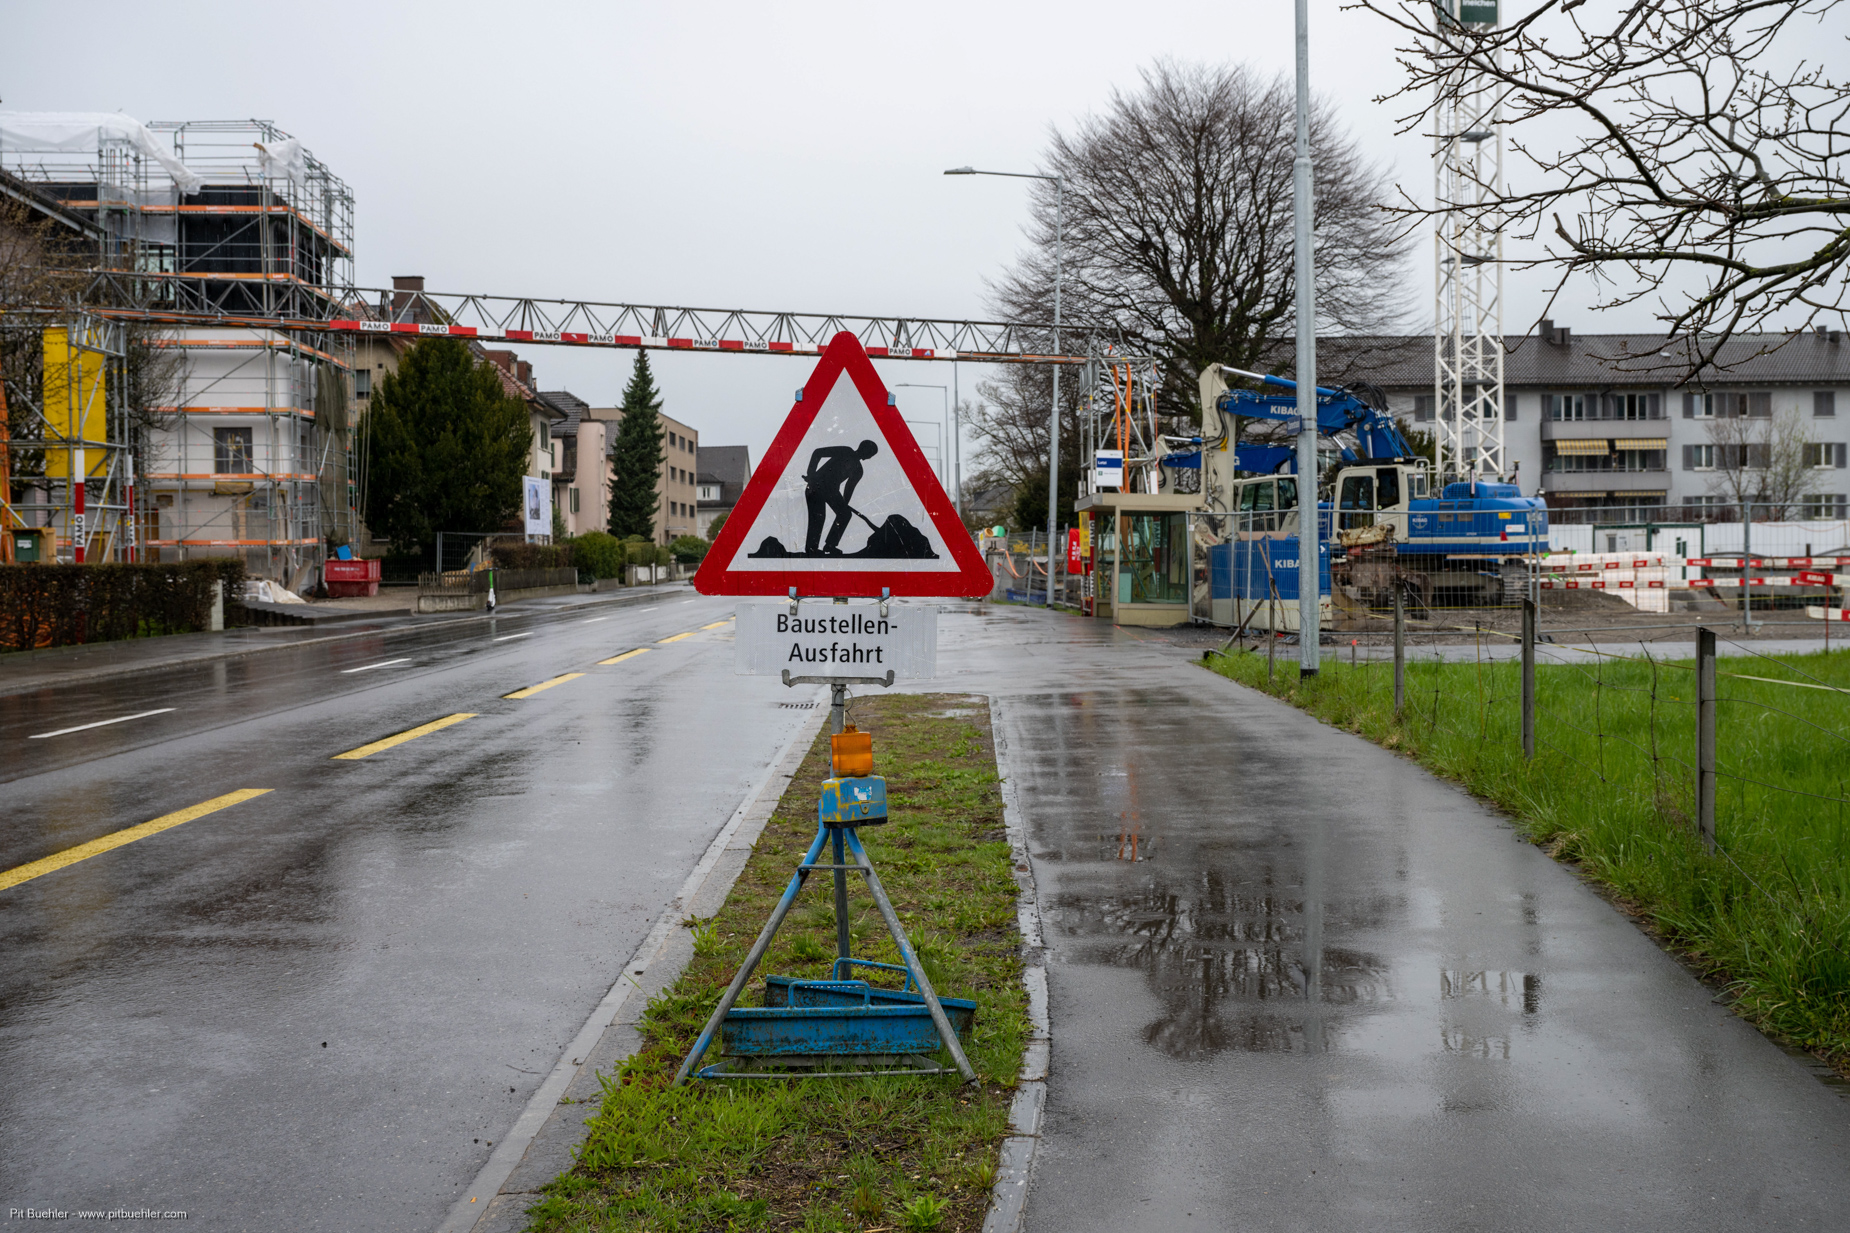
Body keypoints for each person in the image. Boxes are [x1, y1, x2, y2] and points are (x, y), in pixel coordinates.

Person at [803, 440, 878, 556]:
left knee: (845, 514)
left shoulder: (858, 470)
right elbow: (818, 453)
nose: (869, 457)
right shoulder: (845, 451)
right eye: (870, 454)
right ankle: (811, 549)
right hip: (816, 486)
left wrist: (844, 505)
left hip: (831, 492)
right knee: (818, 516)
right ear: (865, 450)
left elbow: (848, 489)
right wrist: (811, 475)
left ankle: (830, 545)